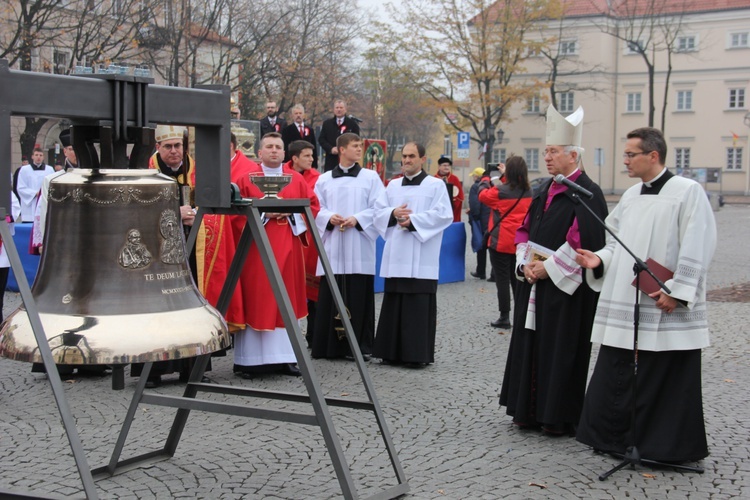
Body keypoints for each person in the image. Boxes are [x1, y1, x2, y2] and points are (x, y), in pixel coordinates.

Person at [575, 127, 716, 463]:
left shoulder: (688, 192)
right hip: (627, 300)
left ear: (653, 156)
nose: (624, 160)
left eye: (630, 154)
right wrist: (599, 260)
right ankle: (614, 438)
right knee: (617, 369)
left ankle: (663, 447)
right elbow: (615, 243)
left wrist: (679, 292)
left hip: (664, 301)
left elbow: (700, 242)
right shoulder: (631, 195)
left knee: (664, 373)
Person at [498, 105, 607, 436]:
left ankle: (556, 415)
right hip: (534, 281)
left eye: (553, 151)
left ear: (573, 155)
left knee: (559, 349)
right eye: (545, 151)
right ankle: (527, 410)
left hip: (565, 289)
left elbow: (581, 240)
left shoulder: (586, 194)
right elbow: (523, 230)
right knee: (530, 343)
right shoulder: (543, 189)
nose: (546, 157)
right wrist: (524, 263)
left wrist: (549, 270)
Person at [233, 132, 317, 378]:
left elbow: (311, 208)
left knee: (285, 299)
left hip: (288, 250)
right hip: (255, 250)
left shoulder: (296, 180)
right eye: (268, 147)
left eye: (278, 147)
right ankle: (249, 361)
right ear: (259, 153)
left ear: (284, 153)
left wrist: (290, 214)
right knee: (258, 297)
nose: (273, 151)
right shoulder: (245, 179)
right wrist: (262, 215)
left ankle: (287, 358)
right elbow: (236, 215)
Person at [372, 142, 453, 367]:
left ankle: (416, 355)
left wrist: (413, 222)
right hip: (396, 252)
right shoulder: (392, 185)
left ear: (422, 159)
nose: (406, 160)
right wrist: (393, 212)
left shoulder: (435, 185)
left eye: (411, 156)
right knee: (394, 302)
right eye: (404, 156)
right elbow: (378, 211)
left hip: (421, 254)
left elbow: (444, 215)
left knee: (417, 305)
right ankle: (390, 352)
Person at [131, 124, 198, 387]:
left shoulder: (196, 171)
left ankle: (190, 368)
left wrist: (197, 214)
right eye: (168, 146)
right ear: (158, 148)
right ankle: (152, 371)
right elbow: (136, 211)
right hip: (156, 253)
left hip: (190, 248)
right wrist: (174, 213)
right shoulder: (146, 174)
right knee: (157, 309)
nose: (174, 151)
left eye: (177, 146)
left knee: (189, 306)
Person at [311, 133, 383, 361]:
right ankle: (327, 346)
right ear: (341, 149)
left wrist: (358, 219)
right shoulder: (323, 180)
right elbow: (315, 208)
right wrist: (329, 217)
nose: (360, 149)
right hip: (333, 245)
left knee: (359, 294)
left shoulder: (371, 178)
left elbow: (380, 208)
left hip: (359, 245)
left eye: (360, 146)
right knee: (331, 294)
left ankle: (360, 346)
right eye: (355, 146)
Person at [478, 157, 533, 329]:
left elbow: (483, 196)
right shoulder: (530, 192)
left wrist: (487, 178)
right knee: (518, 280)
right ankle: (521, 316)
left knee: (502, 281)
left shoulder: (500, 191)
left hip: (500, 242)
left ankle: (504, 317)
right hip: (521, 243)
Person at [284, 140, 322, 345]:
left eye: (312, 155)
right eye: (307, 156)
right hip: (283, 237)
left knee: (311, 291)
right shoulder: (282, 174)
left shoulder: (318, 179)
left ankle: (313, 335)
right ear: (295, 158)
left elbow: (315, 207)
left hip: (308, 241)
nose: (311, 159)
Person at [318, 99, 361, 172]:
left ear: (345, 109)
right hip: (331, 160)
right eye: (337, 108)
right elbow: (321, 139)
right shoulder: (327, 123)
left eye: (341, 108)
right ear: (333, 110)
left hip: (347, 159)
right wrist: (331, 149)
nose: (339, 110)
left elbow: (356, 140)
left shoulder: (352, 124)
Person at [16, 148, 54, 222]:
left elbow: (52, 185)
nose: (38, 157)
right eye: (36, 155)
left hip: (43, 200)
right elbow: (20, 187)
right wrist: (34, 193)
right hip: (30, 205)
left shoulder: (50, 170)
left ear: (43, 157)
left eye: (40, 155)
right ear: (32, 156)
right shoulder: (24, 170)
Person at [467, 167, 490, 279]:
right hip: (491, 221)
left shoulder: (475, 187)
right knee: (492, 247)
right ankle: (494, 274)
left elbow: (475, 205)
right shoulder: (491, 185)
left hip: (480, 221)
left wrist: (473, 216)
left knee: (481, 247)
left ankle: (481, 271)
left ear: (477, 176)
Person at [281, 104, 318, 169]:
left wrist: (314, 165)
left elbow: (314, 147)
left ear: (303, 115)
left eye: (300, 113)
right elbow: (285, 148)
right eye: (296, 113)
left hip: (307, 164)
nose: (298, 115)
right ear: (292, 115)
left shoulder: (310, 129)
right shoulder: (287, 130)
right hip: (293, 164)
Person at [435, 156, 464, 223]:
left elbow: (460, 196)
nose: (447, 167)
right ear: (439, 167)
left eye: (448, 165)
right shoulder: (434, 179)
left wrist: (452, 206)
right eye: (444, 165)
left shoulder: (454, 179)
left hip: (452, 209)